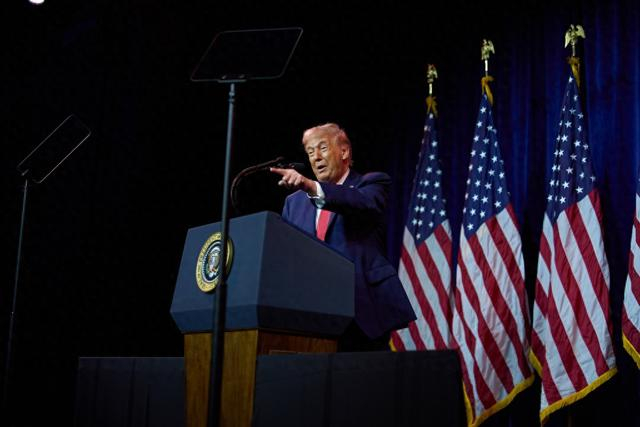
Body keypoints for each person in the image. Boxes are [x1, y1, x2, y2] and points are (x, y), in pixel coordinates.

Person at [270, 123, 416, 351]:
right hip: (310, 315)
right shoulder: (294, 203)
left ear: (344, 151)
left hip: (362, 310)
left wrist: (313, 188)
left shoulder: (372, 184)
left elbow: (360, 203)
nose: (316, 157)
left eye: (322, 148)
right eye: (310, 152)